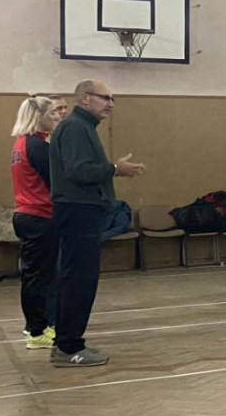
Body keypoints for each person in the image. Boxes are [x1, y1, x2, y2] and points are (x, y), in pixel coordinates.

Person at [48, 80, 143, 367]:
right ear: (85, 99)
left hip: (82, 210)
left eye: (112, 99)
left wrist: (112, 170)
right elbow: (78, 171)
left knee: (77, 278)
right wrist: (114, 169)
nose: (110, 104)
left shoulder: (83, 127)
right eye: (105, 98)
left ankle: (65, 343)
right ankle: (69, 347)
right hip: (78, 210)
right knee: (79, 280)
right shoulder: (75, 127)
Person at [10, 93, 67, 349]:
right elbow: (58, 182)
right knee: (38, 279)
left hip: (29, 215)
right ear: (39, 116)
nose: (56, 116)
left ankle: (38, 326)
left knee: (37, 276)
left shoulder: (23, 144)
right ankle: (36, 331)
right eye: (51, 113)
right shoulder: (37, 146)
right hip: (39, 217)